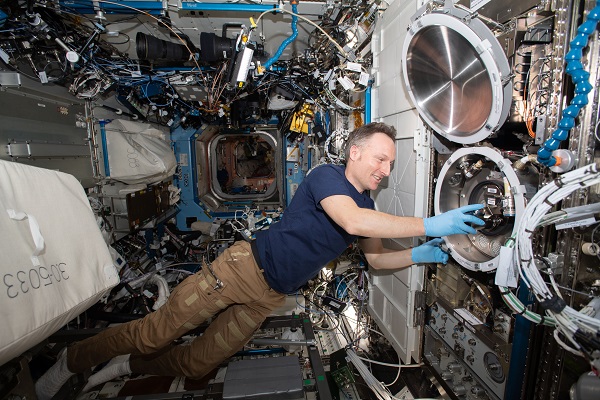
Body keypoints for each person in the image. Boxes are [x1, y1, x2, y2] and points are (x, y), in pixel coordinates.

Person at [35, 122, 484, 399]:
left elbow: (379, 262)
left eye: (390, 164)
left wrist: (417, 255)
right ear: (356, 152)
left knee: (197, 363)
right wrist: (430, 223)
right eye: (382, 159)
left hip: (268, 296)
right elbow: (350, 220)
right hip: (239, 272)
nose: (385, 169)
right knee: (154, 332)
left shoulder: (367, 207)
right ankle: (72, 360)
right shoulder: (328, 177)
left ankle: (129, 365)